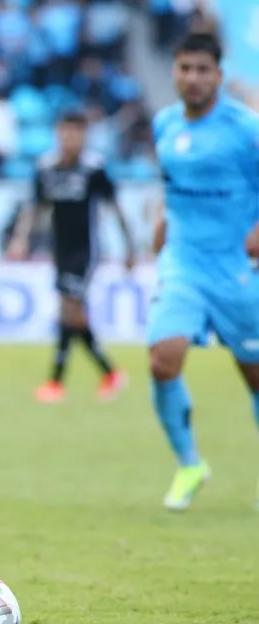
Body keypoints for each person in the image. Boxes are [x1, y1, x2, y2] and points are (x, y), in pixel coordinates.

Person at [146, 33, 259, 511]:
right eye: (184, 68)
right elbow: (172, 187)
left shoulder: (244, 128)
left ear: (219, 73)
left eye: (202, 69)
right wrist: (162, 223)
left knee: (252, 374)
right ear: (174, 70)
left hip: (236, 269)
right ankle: (190, 463)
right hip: (184, 262)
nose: (192, 78)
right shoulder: (164, 125)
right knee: (161, 358)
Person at [7, 111, 135, 403]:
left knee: (69, 309)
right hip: (60, 250)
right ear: (57, 133)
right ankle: (109, 373)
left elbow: (116, 209)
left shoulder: (93, 169)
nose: (70, 138)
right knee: (72, 314)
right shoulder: (46, 168)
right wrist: (20, 239)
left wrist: (130, 249)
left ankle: (56, 381)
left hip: (86, 250)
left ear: (85, 135)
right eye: (65, 132)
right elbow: (34, 208)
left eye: (76, 132)